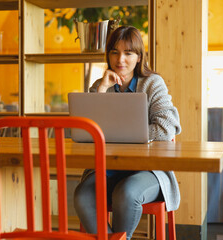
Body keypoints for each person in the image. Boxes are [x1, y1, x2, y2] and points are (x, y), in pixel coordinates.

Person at [73, 26, 181, 239]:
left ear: (139, 57)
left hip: (148, 172)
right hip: (108, 168)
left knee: (126, 193)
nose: (120, 59)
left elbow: (166, 126)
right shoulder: (100, 85)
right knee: (82, 195)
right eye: (114, 52)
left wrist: (124, 137)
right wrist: (102, 90)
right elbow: (86, 129)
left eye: (128, 53)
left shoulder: (152, 83)